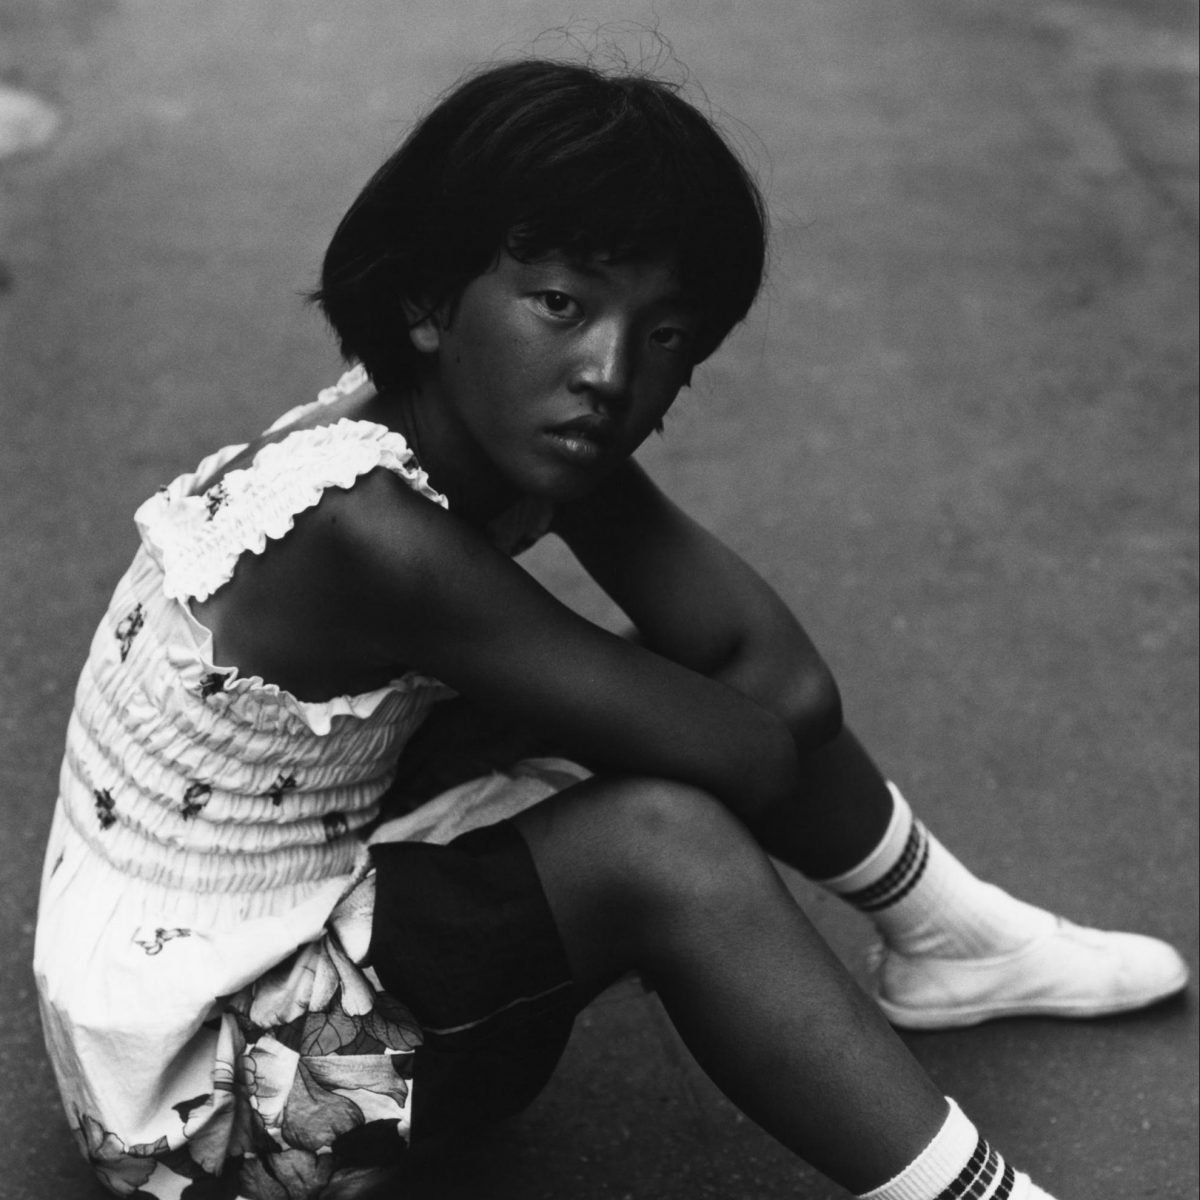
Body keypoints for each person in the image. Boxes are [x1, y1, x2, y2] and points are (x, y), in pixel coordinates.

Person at [34, 57, 1187, 1200]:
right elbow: (756, 736)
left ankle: (952, 938)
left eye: (668, 333)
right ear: (430, 303)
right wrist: (691, 706)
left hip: (288, 941)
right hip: (213, 1124)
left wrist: (644, 597)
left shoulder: (483, 414)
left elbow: (779, 692)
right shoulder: (370, 530)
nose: (610, 372)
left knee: (647, 717)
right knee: (663, 841)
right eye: (562, 305)